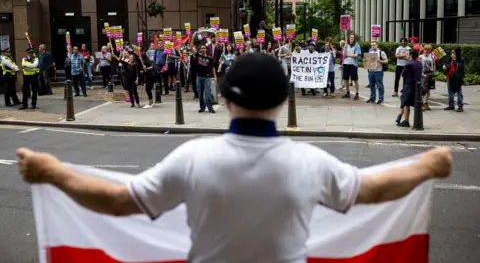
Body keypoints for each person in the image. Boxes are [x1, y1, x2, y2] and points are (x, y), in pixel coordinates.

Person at [16, 53, 453, 263]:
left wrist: (52, 171)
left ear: (222, 99)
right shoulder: (310, 163)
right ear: (284, 101)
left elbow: (116, 201)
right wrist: (427, 164)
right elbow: (373, 190)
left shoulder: (192, 157)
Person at [190, 34, 217, 114]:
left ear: (206, 49)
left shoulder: (210, 58)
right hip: (199, 77)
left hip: (207, 78)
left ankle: (210, 108)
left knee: (208, 94)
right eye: (201, 48)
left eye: (204, 48)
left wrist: (215, 77)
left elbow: (213, 68)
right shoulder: (197, 56)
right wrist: (193, 36)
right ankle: (202, 107)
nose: (203, 49)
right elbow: (191, 46)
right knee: (200, 94)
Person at [396, 49, 422, 127]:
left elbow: (403, 74)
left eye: (407, 54)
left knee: (406, 103)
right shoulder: (419, 63)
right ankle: (401, 116)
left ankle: (406, 120)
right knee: (413, 102)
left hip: (409, 84)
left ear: (410, 55)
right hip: (417, 85)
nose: (406, 55)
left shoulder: (408, 64)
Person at [443, 48, 465, 112]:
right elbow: (446, 64)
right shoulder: (450, 59)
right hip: (450, 77)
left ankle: (460, 106)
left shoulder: (460, 59)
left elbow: (460, 68)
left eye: (454, 53)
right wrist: (445, 66)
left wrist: (454, 61)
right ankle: (451, 105)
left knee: (459, 92)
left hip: (457, 78)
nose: (452, 54)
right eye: (451, 53)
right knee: (450, 92)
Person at [366, 41, 388, 105]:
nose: (373, 46)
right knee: (371, 85)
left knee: (380, 85)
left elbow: (386, 61)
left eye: (374, 45)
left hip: (378, 71)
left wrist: (379, 61)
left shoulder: (381, 52)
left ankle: (380, 98)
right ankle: (372, 98)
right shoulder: (370, 52)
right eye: (372, 45)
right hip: (371, 71)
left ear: (377, 45)